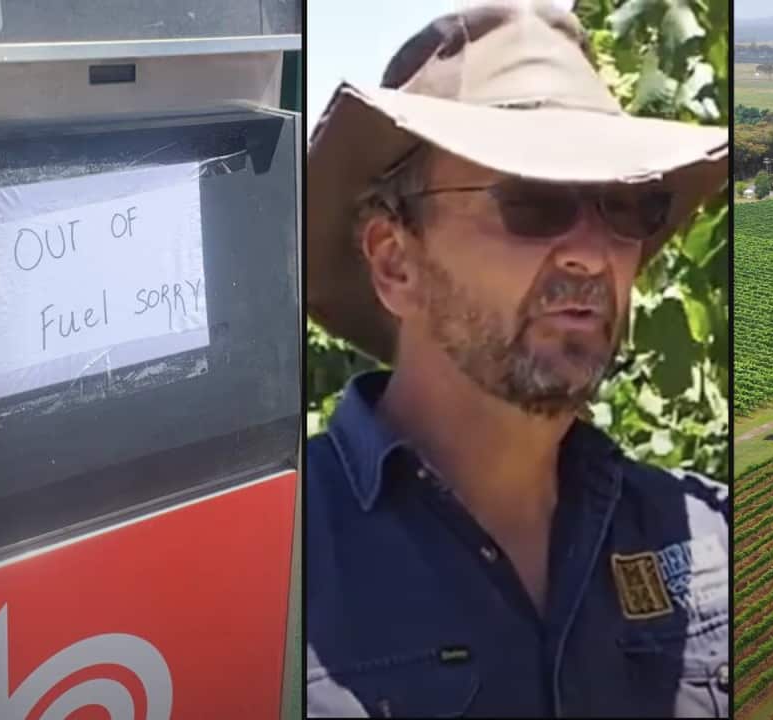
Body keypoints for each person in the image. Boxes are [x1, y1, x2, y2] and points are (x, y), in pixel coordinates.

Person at [305, 2, 728, 717]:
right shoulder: (274, 571)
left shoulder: (709, 536)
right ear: (396, 263)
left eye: (628, 208)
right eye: (533, 201)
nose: (592, 253)